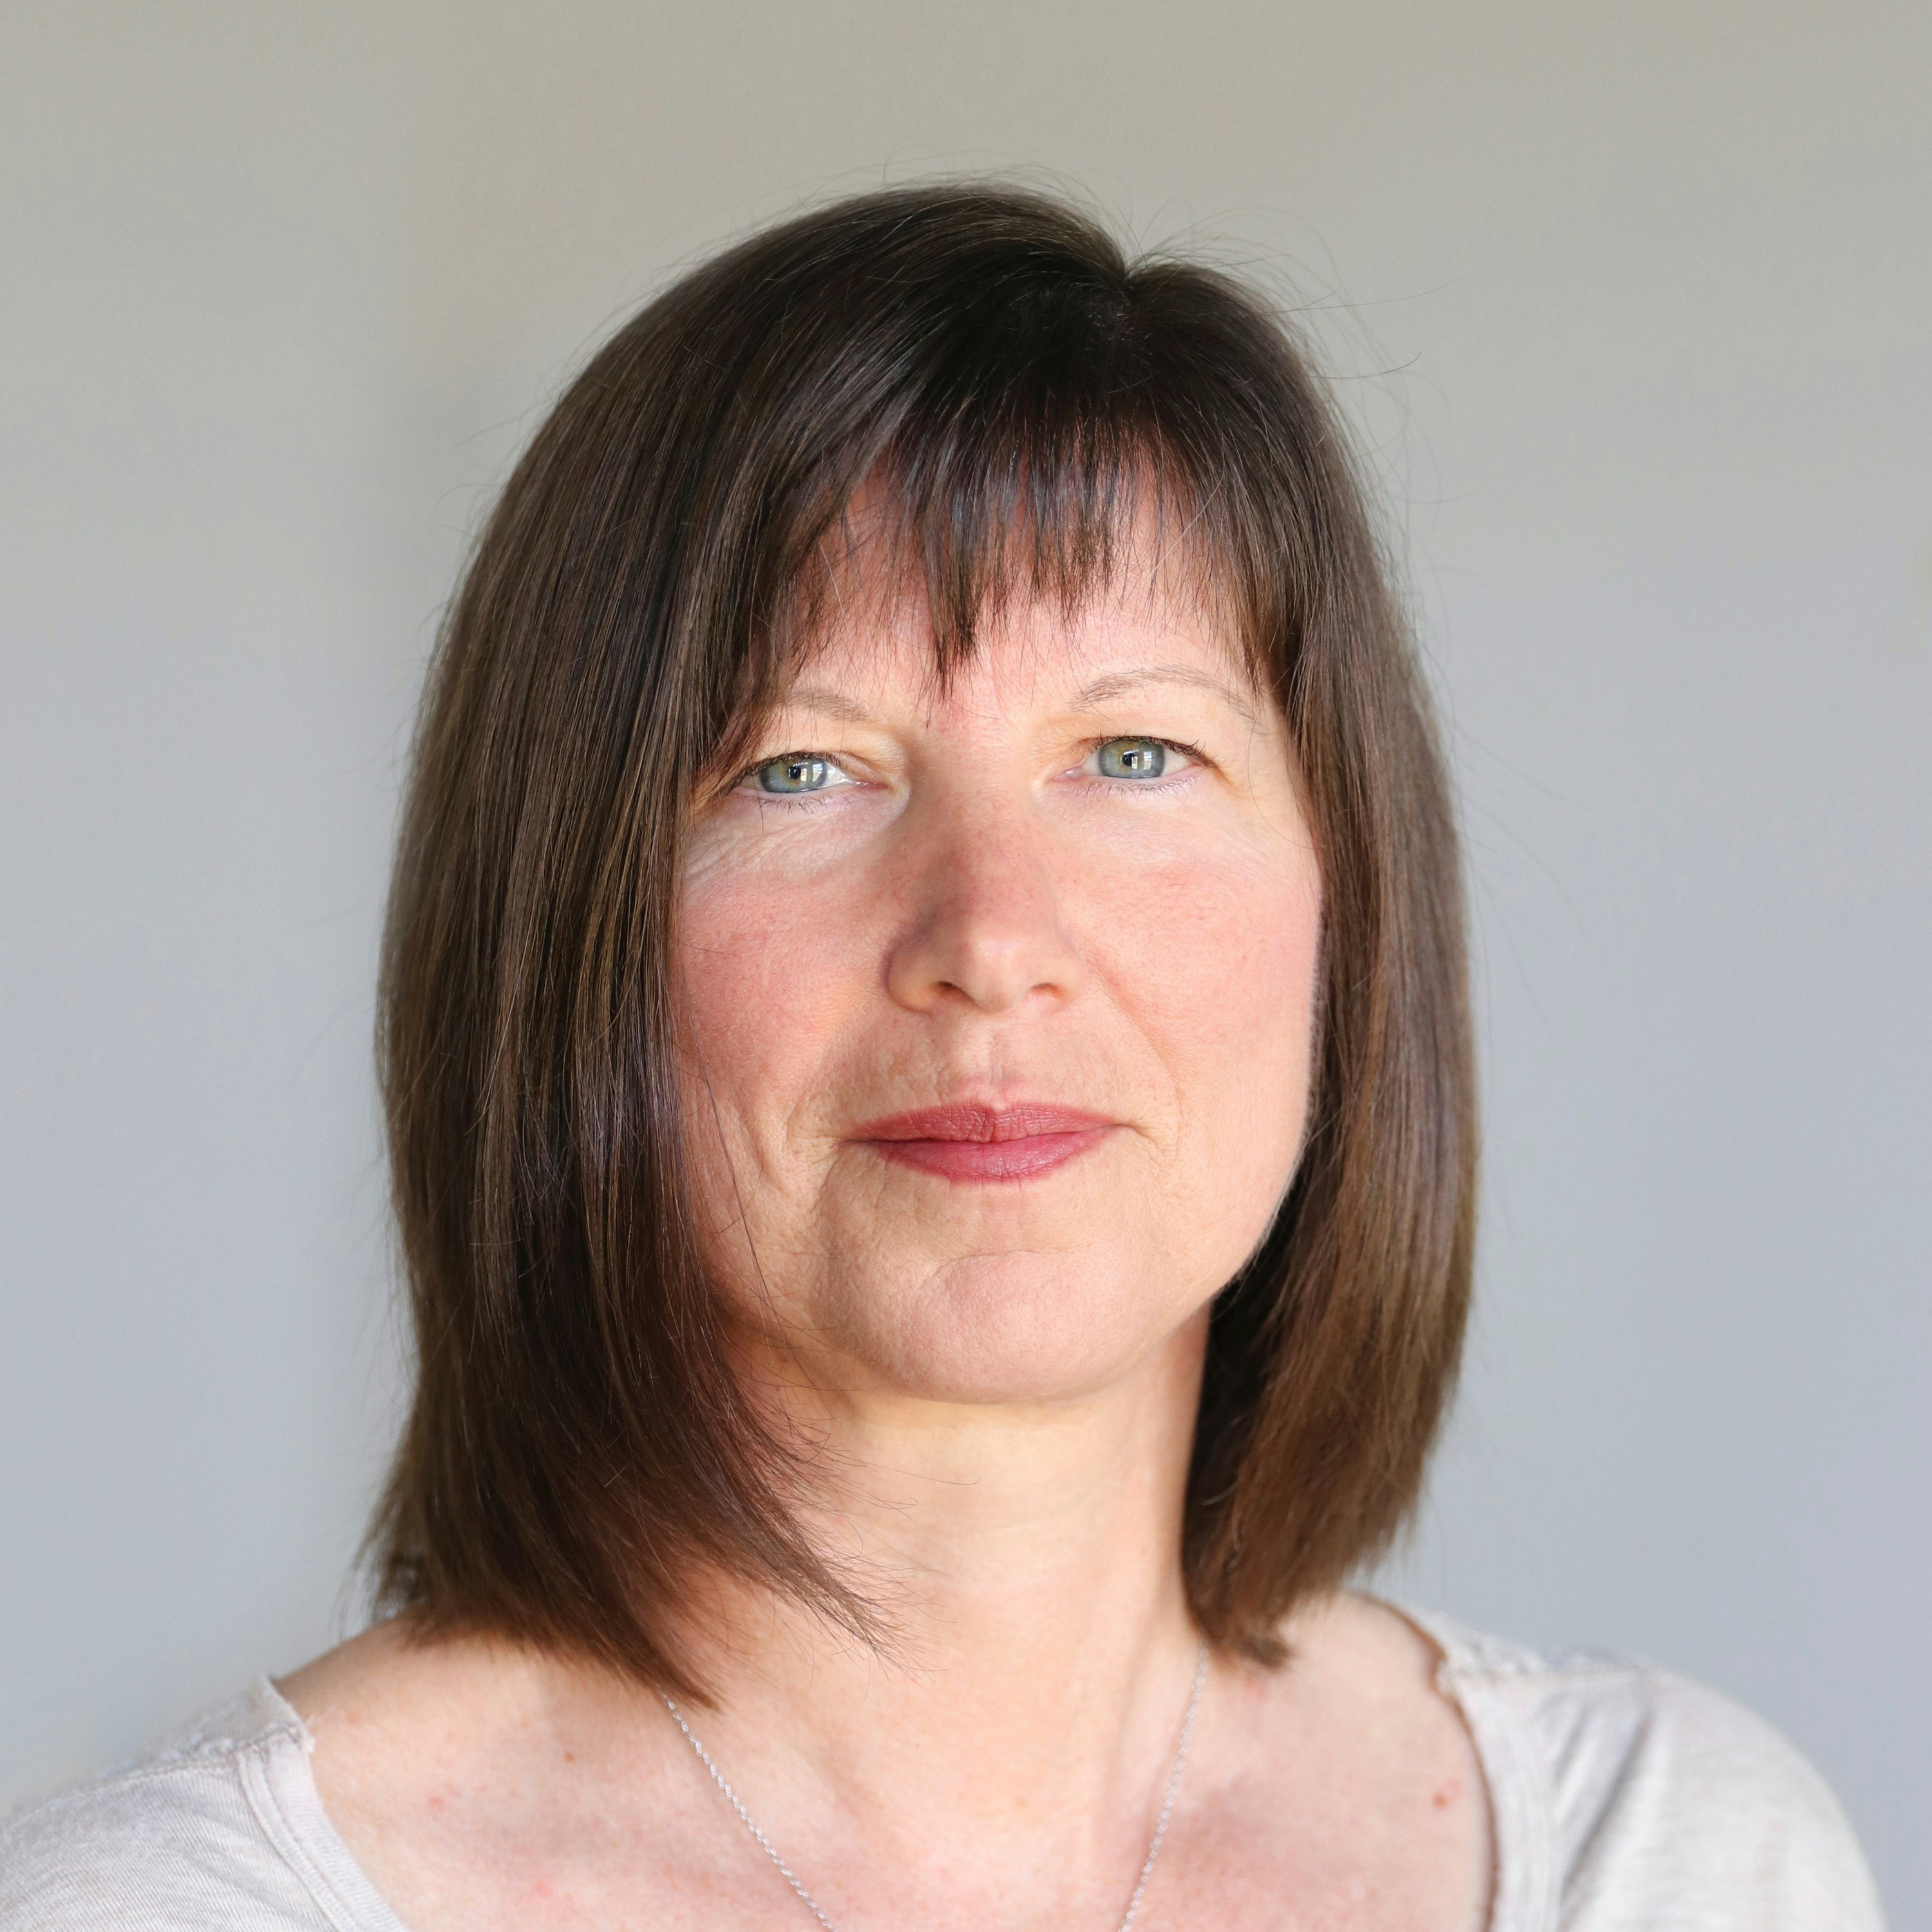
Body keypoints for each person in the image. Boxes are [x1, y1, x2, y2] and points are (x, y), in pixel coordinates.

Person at [0, 184, 1884, 1932]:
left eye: (1134, 755)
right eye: (801, 770)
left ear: (1348, 904)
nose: (990, 935)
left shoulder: (1674, 1865)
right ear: (561, 938)